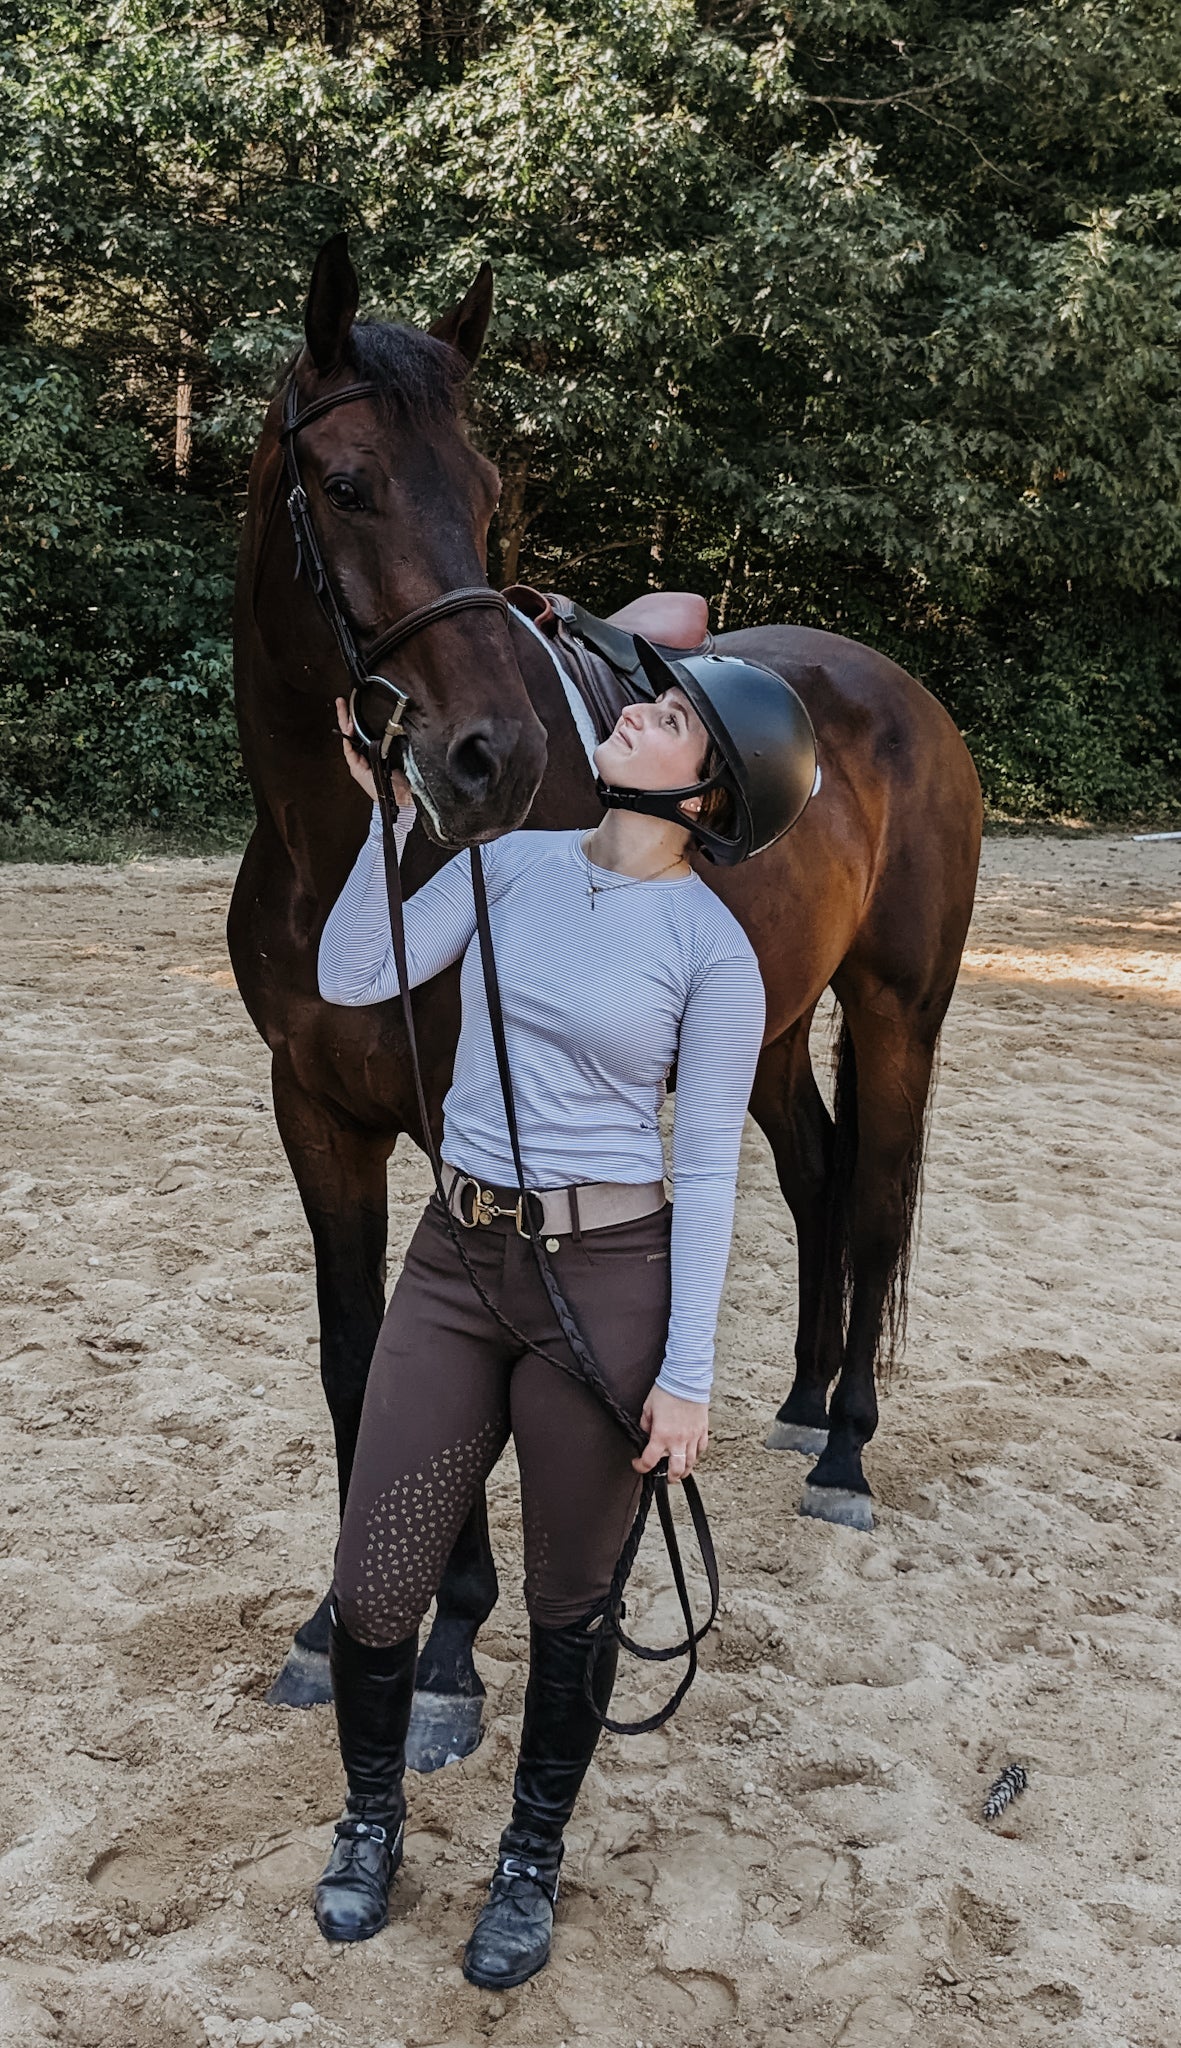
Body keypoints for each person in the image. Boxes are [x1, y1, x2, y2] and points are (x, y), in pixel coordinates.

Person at [310, 640, 816, 1989]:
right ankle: (372, 1822)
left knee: (569, 1604)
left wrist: (690, 1377)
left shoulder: (712, 953)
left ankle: (527, 1859)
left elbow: (707, 1166)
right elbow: (356, 974)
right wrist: (388, 820)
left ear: (708, 792)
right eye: (653, 697)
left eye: (672, 717)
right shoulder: (518, 861)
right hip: (451, 1262)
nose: (641, 708)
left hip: (605, 1280)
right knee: (375, 1585)